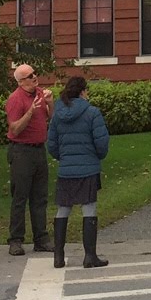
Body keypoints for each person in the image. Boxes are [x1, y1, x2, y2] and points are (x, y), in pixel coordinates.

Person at [45, 74, 111, 268]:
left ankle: (58, 256)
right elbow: (101, 142)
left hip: (66, 170)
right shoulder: (92, 113)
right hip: (88, 168)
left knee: (63, 209)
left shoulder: (58, 114)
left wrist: (63, 158)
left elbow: (52, 144)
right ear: (83, 91)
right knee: (88, 208)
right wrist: (96, 157)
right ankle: (90, 255)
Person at [3, 63, 51, 256]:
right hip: (21, 152)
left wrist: (50, 103)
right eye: (30, 76)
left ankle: (41, 238)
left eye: (35, 74)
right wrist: (30, 111)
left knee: (40, 197)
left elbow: (49, 118)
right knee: (20, 196)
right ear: (21, 81)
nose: (34, 78)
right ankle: (15, 239)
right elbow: (14, 128)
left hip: (39, 150)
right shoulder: (16, 99)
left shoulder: (39, 93)